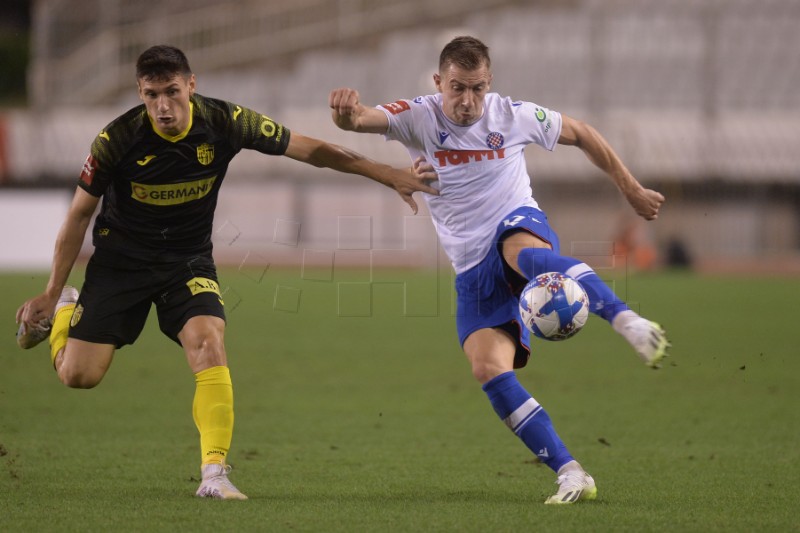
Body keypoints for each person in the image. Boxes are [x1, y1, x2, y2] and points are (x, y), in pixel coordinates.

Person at [15, 45, 437, 500]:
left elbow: (312, 150)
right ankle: (65, 311)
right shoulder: (115, 140)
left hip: (187, 261)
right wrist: (51, 289)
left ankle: (214, 474)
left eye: (172, 92)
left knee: (209, 341)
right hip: (121, 264)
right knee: (79, 376)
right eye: (152, 94)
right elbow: (79, 215)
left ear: (191, 86)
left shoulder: (226, 121)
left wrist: (387, 173)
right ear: (140, 92)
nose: (163, 106)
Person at [329, 36, 670, 505]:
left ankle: (626, 320)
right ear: (438, 83)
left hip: (515, 223)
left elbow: (584, 133)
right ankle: (571, 473)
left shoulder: (512, 115)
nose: (467, 101)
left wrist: (629, 189)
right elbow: (360, 119)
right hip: (470, 267)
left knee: (520, 253)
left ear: (489, 83)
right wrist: (344, 112)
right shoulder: (418, 116)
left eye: (477, 89)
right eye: (456, 89)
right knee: (488, 369)